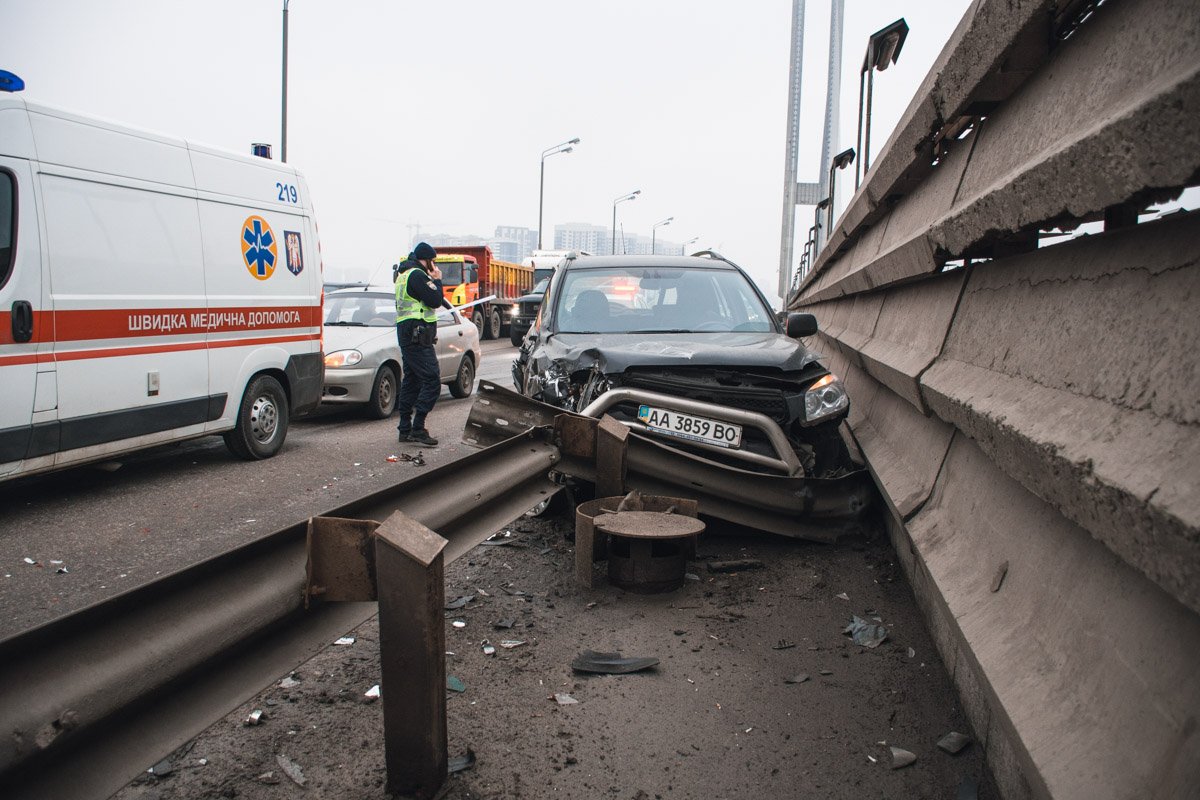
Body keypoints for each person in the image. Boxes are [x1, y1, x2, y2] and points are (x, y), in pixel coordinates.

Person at [394, 242, 452, 446]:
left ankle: (404, 429)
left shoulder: (403, 275)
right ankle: (418, 427)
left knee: (411, 381)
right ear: (426, 260)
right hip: (417, 335)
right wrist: (437, 281)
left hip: (407, 333)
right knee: (432, 380)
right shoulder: (418, 275)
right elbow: (435, 300)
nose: (434, 266)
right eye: (432, 261)